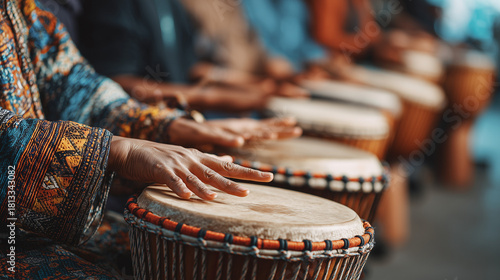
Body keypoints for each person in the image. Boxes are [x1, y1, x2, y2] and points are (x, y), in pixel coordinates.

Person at [0, 0, 300, 278]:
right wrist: (117, 150)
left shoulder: (22, 9)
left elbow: (74, 85)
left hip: (31, 230)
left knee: (186, 257)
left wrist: (173, 127)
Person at [79, 0, 308, 110]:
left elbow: (190, 66)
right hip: (142, 138)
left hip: (183, 121)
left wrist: (258, 87)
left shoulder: (172, 5)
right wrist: (215, 98)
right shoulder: (115, 4)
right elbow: (117, 84)